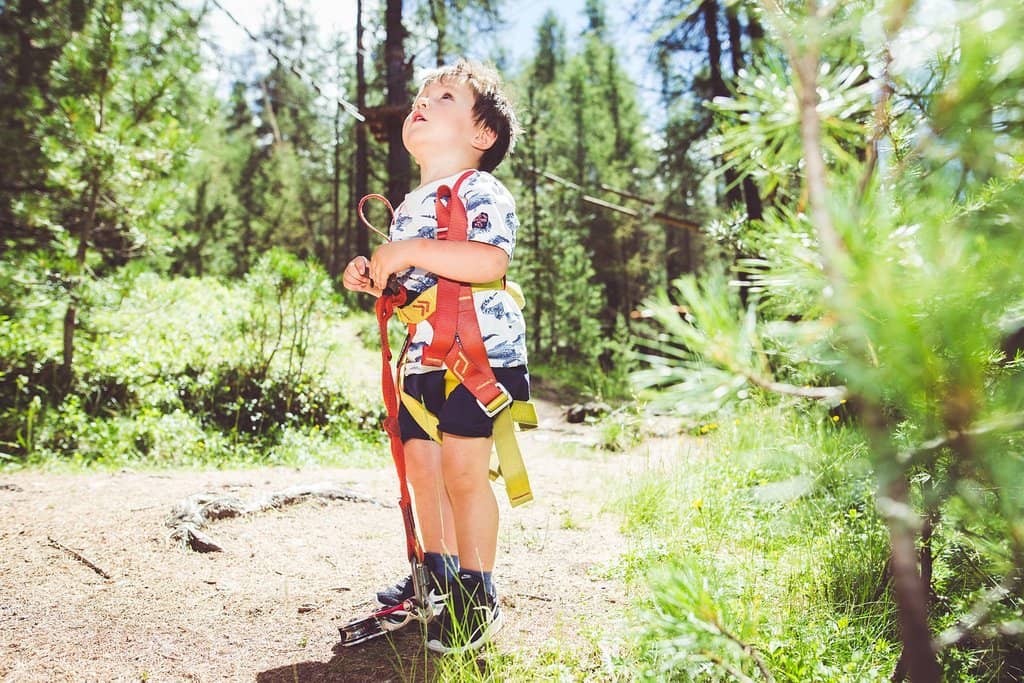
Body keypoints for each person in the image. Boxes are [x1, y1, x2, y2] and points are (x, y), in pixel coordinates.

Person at [341, 59, 527, 654]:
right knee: (423, 469)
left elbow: (487, 262)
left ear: (482, 134)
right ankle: (439, 575)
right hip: (424, 355)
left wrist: (410, 248)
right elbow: (418, 286)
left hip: (479, 353)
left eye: (444, 96)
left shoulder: (479, 190)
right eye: (422, 95)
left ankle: (480, 593)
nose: (423, 101)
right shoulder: (413, 203)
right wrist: (379, 280)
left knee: (464, 473)